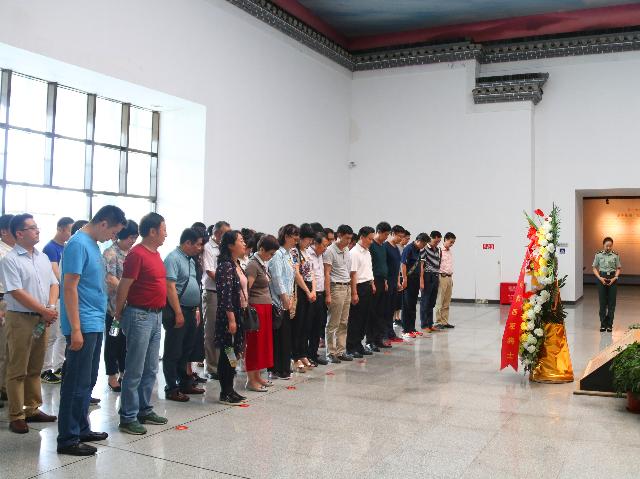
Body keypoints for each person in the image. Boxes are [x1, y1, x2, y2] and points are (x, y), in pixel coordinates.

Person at [57, 206, 127, 456]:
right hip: (82, 324)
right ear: (104, 223)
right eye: (114, 232)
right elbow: (69, 287)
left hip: (95, 321)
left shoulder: (93, 245)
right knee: (75, 381)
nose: (113, 238)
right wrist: (75, 329)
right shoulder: (78, 244)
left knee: (87, 380)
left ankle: (81, 428)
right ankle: (68, 438)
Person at [0, 214, 59, 434]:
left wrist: (50, 308)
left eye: (37, 227)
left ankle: (32, 408)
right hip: (20, 318)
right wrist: (44, 310)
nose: (37, 230)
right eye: (32, 228)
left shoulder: (42, 257)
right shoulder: (10, 260)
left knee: (35, 366)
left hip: (42, 318)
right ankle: (16, 415)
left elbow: (54, 283)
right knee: (17, 368)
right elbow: (16, 291)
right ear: (19, 233)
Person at [114, 212, 168, 435]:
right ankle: (128, 416)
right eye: (163, 229)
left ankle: (144, 409)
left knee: (151, 367)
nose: (166, 234)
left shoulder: (155, 253)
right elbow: (124, 286)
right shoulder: (136, 254)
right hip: (139, 316)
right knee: (135, 368)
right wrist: (118, 313)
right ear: (153, 231)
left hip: (156, 316)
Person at [162, 228, 206, 402]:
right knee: (173, 351)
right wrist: (178, 313)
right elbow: (170, 287)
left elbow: (192, 283)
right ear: (188, 242)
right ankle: (171, 388)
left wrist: (196, 310)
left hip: (190, 310)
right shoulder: (173, 258)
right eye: (198, 244)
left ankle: (184, 383)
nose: (200, 248)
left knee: (186, 349)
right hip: (177, 310)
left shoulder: (189, 259)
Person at [103, 220, 139, 392]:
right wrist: (127, 292)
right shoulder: (110, 253)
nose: (133, 241)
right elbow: (110, 279)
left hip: (131, 308)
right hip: (114, 309)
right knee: (113, 341)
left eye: (135, 237)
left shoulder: (133, 253)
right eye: (131, 237)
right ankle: (112, 375)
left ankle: (124, 372)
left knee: (126, 343)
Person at [214, 230, 247, 405]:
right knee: (227, 353)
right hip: (229, 316)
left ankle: (230, 388)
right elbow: (225, 296)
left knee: (233, 353)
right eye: (240, 240)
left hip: (238, 313)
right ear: (230, 245)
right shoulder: (226, 266)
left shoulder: (236, 264)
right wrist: (231, 319)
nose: (244, 243)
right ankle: (224, 391)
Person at [40, 216, 74, 385]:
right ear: (60, 229)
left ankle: (59, 366)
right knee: (52, 335)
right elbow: (55, 273)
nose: (71, 234)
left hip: (64, 296)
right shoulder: (50, 248)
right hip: (55, 297)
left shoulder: (67, 247)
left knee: (62, 334)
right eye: (69, 230)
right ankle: (45, 369)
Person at [244, 234, 279, 391]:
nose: (271, 257)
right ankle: (251, 380)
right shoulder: (253, 264)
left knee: (262, 345)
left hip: (264, 307)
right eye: (270, 253)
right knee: (254, 344)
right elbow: (246, 289)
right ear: (262, 249)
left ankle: (257, 376)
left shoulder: (262, 263)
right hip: (256, 308)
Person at [268, 224, 298, 380]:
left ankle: (284, 367)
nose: (296, 240)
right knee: (278, 336)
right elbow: (277, 278)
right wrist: (285, 297)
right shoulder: (277, 255)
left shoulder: (288, 254)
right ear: (286, 236)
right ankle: (276, 368)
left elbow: (290, 277)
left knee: (286, 336)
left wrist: (291, 296)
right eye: (294, 237)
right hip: (277, 301)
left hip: (286, 299)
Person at [203, 221, 230, 380]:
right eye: (226, 233)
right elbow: (210, 271)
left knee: (228, 329)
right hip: (213, 292)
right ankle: (212, 367)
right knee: (212, 331)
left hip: (227, 293)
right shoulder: (208, 247)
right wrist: (225, 281)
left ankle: (228, 364)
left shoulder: (226, 248)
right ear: (218, 233)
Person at [324, 224, 354, 363]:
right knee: (333, 322)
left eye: (350, 238)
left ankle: (341, 351)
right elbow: (327, 273)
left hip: (346, 287)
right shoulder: (330, 251)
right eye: (346, 238)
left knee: (343, 322)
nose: (348, 241)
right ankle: (331, 352)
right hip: (336, 287)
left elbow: (348, 270)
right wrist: (328, 294)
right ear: (339, 235)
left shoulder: (346, 249)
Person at [346, 226, 376, 358]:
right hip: (358, 287)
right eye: (369, 239)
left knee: (364, 318)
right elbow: (353, 274)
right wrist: (354, 293)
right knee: (355, 319)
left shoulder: (367, 252)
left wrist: (372, 283)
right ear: (362, 237)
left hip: (367, 286)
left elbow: (369, 269)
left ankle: (359, 344)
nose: (371, 241)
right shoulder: (354, 253)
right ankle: (351, 346)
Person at [290, 224, 316, 373]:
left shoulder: (308, 252)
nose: (309, 243)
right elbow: (296, 273)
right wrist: (307, 291)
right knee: (298, 324)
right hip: (299, 289)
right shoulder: (294, 251)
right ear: (300, 238)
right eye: (307, 240)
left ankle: (303, 353)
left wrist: (313, 290)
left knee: (307, 324)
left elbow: (311, 272)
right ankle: (295, 356)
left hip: (309, 289)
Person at [306, 232, 330, 365]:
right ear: (315, 243)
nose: (325, 248)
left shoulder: (320, 255)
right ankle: (305, 355)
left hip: (321, 294)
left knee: (318, 325)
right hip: (311, 294)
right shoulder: (307, 254)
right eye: (324, 245)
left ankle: (313, 353)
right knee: (308, 326)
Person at [0, 214, 16, 408]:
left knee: (9, 349)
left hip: (13, 302)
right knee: (2, 350)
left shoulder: (15, 251)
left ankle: (5, 387)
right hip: (2, 301)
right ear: (4, 231)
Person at [401, 233, 429, 339]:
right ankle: (405, 330)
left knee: (413, 305)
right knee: (407, 305)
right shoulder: (408, 249)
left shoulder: (418, 250)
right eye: (423, 244)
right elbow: (403, 264)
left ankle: (412, 328)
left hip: (415, 280)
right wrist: (404, 279)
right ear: (418, 241)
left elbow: (419, 265)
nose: (423, 246)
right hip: (409, 280)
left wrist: (421, 280)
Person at [368, 222, 392, 350]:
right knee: (373, 312)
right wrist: (372, 283)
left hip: (383, 281)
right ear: (379, 232)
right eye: (385, 234)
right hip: (374, 281)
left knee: (381, 312)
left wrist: (386, 281)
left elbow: (384, 264)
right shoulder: (371, 245)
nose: (387, 237)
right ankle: (370, 340)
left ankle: (378, 339)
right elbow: (369, 266)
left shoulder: (382, 246)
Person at [592, 237, 622, 333]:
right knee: (602, 303)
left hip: (612, 278)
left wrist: (615, 278)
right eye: (607, 246)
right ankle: (603, 324)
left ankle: (609, 325)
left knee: (612, 303)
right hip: (602, 278)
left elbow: (618, 268)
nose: (608, 248)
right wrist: (600, 278)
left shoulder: (615, 255)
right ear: (603, 245)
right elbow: (594, 268)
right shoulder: (598, 255)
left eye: (610, 246)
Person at [384, 225, 405, 343]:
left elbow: (397, 267)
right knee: (385, 309)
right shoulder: (385, 247)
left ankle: (390, 333)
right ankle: (384, 334)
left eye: (402, 237)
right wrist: (385, 281)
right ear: (392, 234)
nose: (401, 239)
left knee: (392, 308)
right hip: (386, 282)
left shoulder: (396, 248)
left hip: (394, 282)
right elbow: (384, 266)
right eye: (399, 236)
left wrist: (398, 282)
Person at [419, 231, 442, 332]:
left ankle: (430, 324)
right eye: (436, 241)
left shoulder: (438, 249)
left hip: (435, 276)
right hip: (427, 276)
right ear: (431, 238)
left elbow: (438, 264)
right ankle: (424, 325)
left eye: (439, 241)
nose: (437, 243)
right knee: (425, 301)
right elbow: (421, 265)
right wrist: (421, 280)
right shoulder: (424, 248)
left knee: (432, 301)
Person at [434, 232, 456, 330]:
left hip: (449, 277)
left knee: (447, 301)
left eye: (453, 242)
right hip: (441, 277)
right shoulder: (439, 250)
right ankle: (438, 322)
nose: (452, 244)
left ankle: (444, 321)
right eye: (451, 242)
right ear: (445, 239)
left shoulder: (449, 251)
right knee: (440, 300)